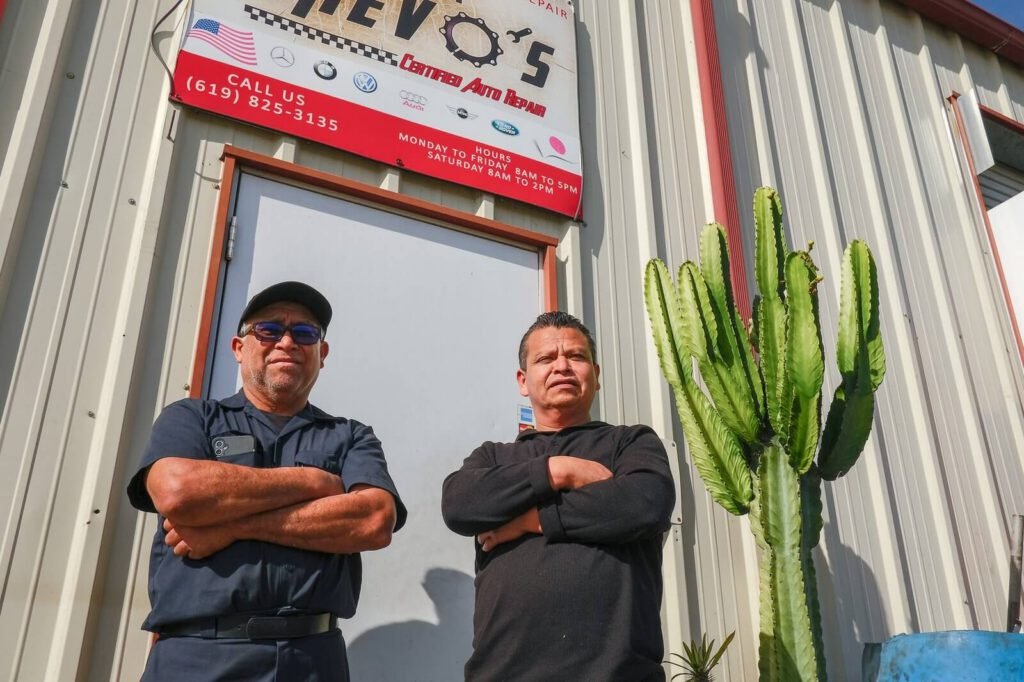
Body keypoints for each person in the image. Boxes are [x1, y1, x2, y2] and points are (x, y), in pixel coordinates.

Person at [127, 281, 406, 681]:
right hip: (199, 657)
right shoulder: (192, 418)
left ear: (321, 354)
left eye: (305, 333)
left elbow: (374, 520)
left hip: (312, 660)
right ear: (239, 348)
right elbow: (178, 490)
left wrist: (233, 524)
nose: (287, 342)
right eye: (269, 330)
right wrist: (313, 481)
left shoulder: (351, 436)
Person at [441, 311, 676, 681]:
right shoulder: (492, 457)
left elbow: (646, 502)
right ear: (523, 380)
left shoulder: (628, 442)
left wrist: (527, 521)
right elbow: (458, 505)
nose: (562, 366)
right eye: (546, 359)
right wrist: (559, 470)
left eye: (576, 357)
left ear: (596, 375)